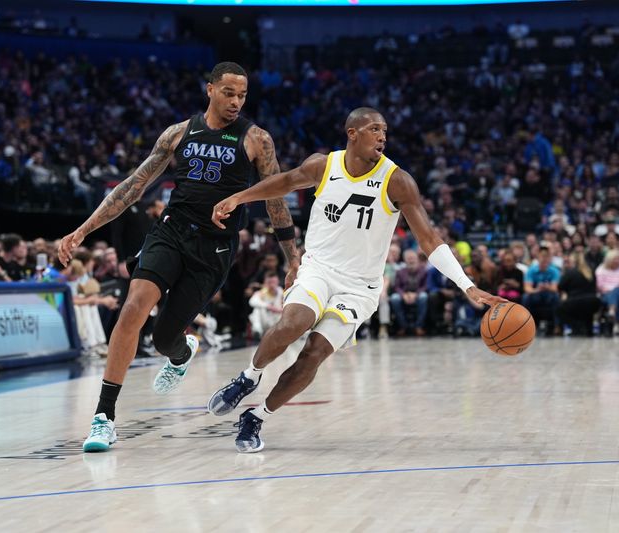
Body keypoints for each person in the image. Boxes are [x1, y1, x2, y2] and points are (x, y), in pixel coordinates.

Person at [207, 107, 505, 453]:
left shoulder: (398, 181)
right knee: (294, 321)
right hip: (319, 268)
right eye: (374, 129)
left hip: (360, 286)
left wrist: (465, 284)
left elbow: (428, 239)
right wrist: (238, 197)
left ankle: (257, 416)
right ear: (353, 133)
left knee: (314, 352)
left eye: (385, 131)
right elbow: (286, 181)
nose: (382, 136)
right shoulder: (324, 165)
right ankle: (249, 377)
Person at [57, 62, 299, 452]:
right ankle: (104, 418)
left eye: (242, 95)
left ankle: (181, 351)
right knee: (133, 307)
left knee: (162, 338)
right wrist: (83, 230)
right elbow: (132, 188)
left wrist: (293, 258)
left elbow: (276, 201)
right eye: (229, 93)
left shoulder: (257, 140)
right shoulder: (178, 133)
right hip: (170, 231)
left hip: (214, 247)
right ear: (210, 89)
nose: (236, 101)